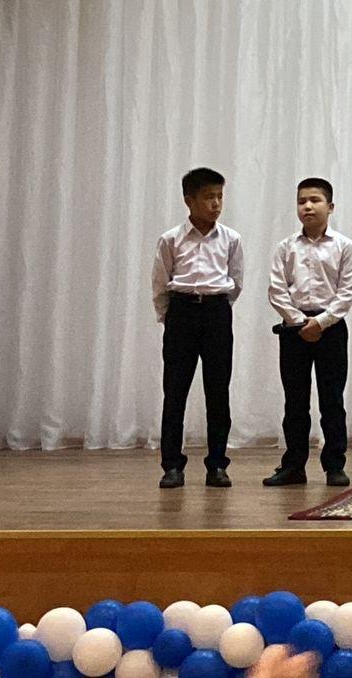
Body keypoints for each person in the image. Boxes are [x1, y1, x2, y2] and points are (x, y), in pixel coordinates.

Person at [150, 167, 244, 489]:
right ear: (189, 201)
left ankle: (217, 465)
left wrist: (217, 309)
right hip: (182, 314)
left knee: (218, 393)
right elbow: (160, 284)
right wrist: (170, 318)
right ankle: (172, 466)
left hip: (217, 314)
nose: (216, 204)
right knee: (175, 392)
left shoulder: (231, 239)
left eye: (219, 197)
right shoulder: (171, 239)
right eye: (208, 197)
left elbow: (236, 282)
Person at [264, 177, 352, 488]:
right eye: (302, 201)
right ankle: (293, 466)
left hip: (331, 329)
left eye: (315, 200)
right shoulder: (286, 247)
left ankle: (335, 466)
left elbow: (346, 292)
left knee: (332, 400)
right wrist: (299, 321)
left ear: (330, 207)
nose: (307, 206)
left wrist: (320, 322)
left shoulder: (344, 246)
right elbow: (277, 290)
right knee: (295, 401)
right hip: (294, 330)